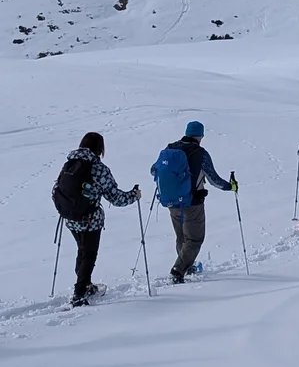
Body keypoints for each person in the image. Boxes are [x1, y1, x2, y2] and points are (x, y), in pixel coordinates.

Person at [54, 131, 140, 306]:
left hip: (70, 218)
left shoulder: (69, 164)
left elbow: (57, 188)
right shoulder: (98, 168)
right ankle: (80, 293)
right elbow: (115, 198)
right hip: (90, 219)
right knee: (89, 254)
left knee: (82, 251)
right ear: (100, 148)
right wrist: (134, 195)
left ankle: (84, 284)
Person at [154, 121, 235, 284]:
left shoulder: (170, 149)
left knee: (182, 237)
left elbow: (154, 169)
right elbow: (214, 179)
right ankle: (178, 270)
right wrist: (230, 186)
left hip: (172, 202)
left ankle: (187, 266)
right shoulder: (200, 153)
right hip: (193, 203)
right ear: (200, 135)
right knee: (194, 239)